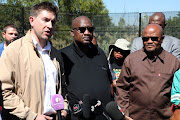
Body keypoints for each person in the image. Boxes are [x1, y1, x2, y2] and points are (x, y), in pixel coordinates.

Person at [0, 2, 68, 120]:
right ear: (32, 20)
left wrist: (64, 108)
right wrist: (32, 116)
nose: (50, 25)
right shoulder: (13, 51)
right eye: (45, 20)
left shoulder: (56, 54)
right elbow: (4, 92)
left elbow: (62, 88)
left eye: (53, 22)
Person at [116, 24, 180, 120]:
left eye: (154, 38)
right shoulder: (131, 60)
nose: (149, 41)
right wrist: (125, 113)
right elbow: (122, 88)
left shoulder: (173, 62)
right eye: (145, 39)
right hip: (135, 117)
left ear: (162, 39)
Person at [60, 16, 113, 120]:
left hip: (103, 116)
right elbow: (61, 88)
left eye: (90, 29)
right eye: (82, 29)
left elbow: (109, 82)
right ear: (72, 32)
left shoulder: (100, 53)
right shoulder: (63, 55)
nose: (87, 33)